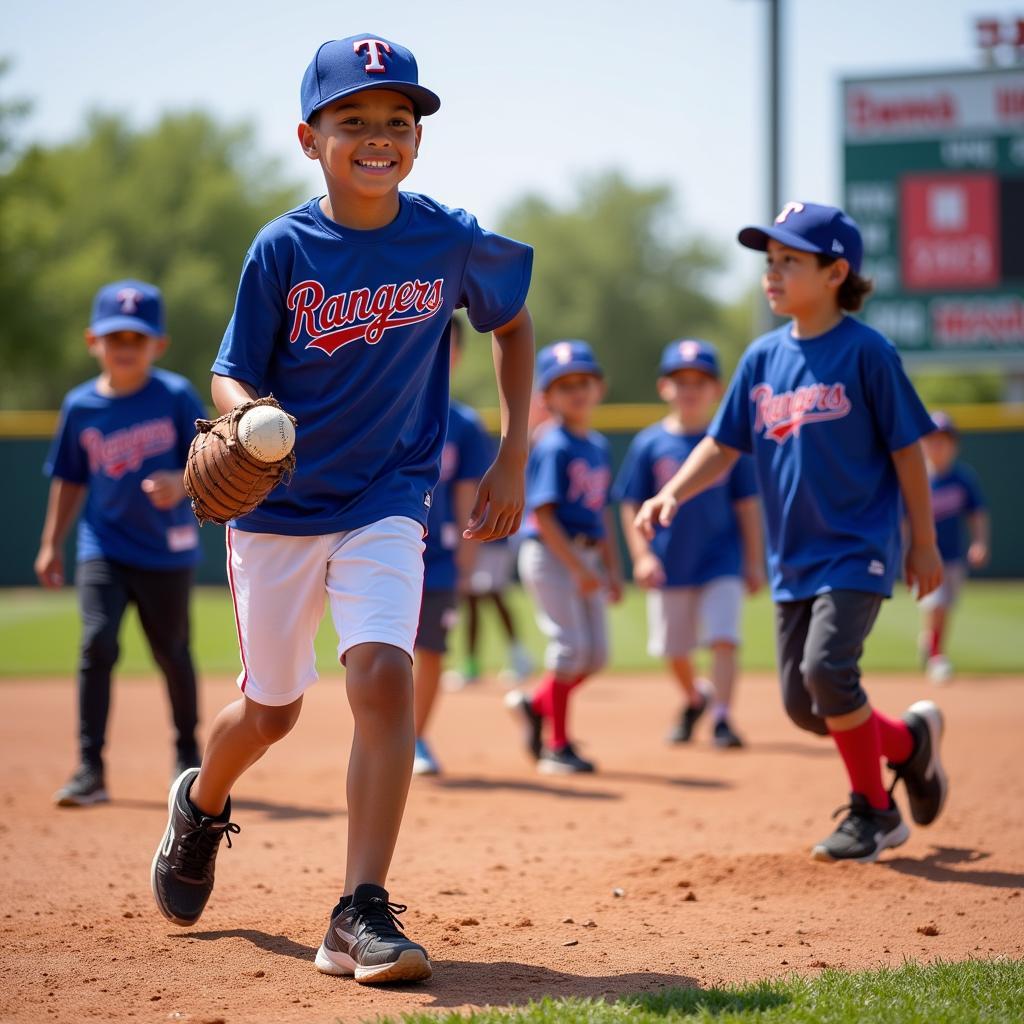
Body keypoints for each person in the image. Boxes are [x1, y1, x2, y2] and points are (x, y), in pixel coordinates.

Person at [149, 34, 534, 986]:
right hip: (279, 508)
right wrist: (244, 421)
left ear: (417, 139)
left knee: (383, 679)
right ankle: (200, 801)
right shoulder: (284, 246)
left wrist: (513, 452)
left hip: (388, 497)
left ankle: (358, 909)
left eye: (396, 122)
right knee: (271, 711)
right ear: (308, 137)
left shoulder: (448, 236)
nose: (377, 137)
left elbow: (513, 320)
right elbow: (230, 367)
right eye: (352, 121)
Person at [636, 202, 948, 863]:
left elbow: (907, 452)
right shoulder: (761, 358)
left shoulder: (868, 351)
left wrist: (922, 539)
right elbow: (722, 447)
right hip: (793, 559)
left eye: (789, 261)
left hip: (856, 547)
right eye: (768, 261)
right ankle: (911, 744)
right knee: (807, 707)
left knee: (828, 672)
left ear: (837, 272)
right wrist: (670, 492)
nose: (772, 274)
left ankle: (875, 811)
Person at [36, 280, 205, 806]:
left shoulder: (175, 396)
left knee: (173, 652)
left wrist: (181, 480)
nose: (126, 345)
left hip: (165, 549)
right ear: (94, 341)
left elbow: (211, 460)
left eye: (138, 335)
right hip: (103, 545)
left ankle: (187, 758)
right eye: (115, 336)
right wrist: (51, 543)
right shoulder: (80, 405)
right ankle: (91, 767)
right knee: (96, 643)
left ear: (159, 343)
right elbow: (68, 477)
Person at [615, 339, 763, 748]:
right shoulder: (650, 443)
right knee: (673, 650)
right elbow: (630, 505)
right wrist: (642, 556)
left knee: (723, 636)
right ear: (665, 387)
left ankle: (722, 718)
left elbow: (747, 506)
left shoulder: (730, 445)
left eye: (700, 380)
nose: (691, 389)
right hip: (669, 560)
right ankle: (696, 698)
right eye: (681, 380)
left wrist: (753, 561)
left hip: (722, 557)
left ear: (716, 389)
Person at [506, 340, 621, 774]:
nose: (575, 391)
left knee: (596, 657)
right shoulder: (554, 444)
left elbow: (601, 512)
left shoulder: (596, 443)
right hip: (551, 554)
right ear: (546, 398)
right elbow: (542, 513)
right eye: (563, 385)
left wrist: (608, 568)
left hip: (584, 555)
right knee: (570, 649)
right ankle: (556, 747)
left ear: (599, 388)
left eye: (583, 382)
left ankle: (535, 706)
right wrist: (576, 568)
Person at [413, 317, 493, 775]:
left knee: (433, 651)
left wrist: (466, 564)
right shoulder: (388, 408)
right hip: (382, 551)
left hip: (439, 559)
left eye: (446, 346)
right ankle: (383, 735)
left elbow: (467, 499)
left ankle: (416, 738)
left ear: (457, 355)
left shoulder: (462, 424)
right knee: (382, 651)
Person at [918, 411, 989, 684]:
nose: (938, 446)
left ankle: (932, 643)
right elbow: (902, 519)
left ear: (954, 445)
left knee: (945, 606)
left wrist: (980, 542)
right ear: (924, 444)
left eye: (944, 440)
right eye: (933, 440)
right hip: (926, 556)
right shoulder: (919, 477)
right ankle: (937, 656)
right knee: (935, 604)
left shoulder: (962, 478)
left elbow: (977, 513)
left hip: (953, 556)